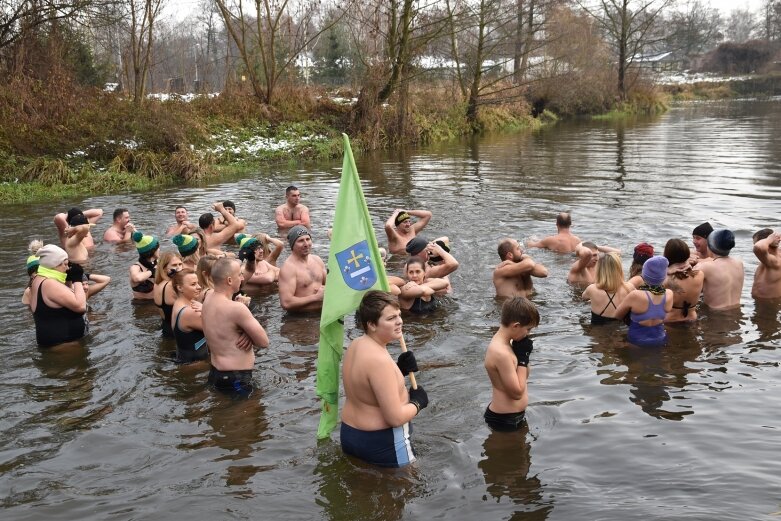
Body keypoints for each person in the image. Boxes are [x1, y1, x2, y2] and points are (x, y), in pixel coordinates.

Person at [340, 291, 428, 467]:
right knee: (408, 488)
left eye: (399, 315)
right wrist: (418, 403)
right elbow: (394, 418)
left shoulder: (356, 345)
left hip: (350, 434)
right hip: (383, 441)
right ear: (372, 324)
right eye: (391, 318)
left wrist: (398, 370)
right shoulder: (380, 361)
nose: (399, 321)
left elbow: (366, 386)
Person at [202, 258, 269, 396]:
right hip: (236, 377)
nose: (242, 277)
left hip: (215, 372)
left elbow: (227, 326)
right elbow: (263, 342)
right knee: (249, 415)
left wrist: (246, 331)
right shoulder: (236, 309)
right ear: (229, 281)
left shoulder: (208, 297)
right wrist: (248, 330)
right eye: (239, 274)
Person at [483, 297, 540, 431]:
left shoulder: (507, 344)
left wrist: (521, 354)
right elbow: (516, 393)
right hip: (504, 419)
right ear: (516, 326)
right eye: (528, 329)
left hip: (512, 416)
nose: (528, 334)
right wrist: (523, 359)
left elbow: (523, 376)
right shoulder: (501, 353)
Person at [29, 244, 88, 347]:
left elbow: (64, 298)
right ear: (54, 265)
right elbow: (80, 306)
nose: (67, 268)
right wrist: (77, 280)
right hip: (64, 346)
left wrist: (68, 280)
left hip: (59, 343)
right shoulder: (49, 284)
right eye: (65, 264)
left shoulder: (38, 279)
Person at [615, 256, 674, 347]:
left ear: (644, 275)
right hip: (660, 339)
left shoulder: (635, 295)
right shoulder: (669, 294)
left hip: (637, 340)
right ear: (664, 277)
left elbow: (617, 315)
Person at [278, 225, 326, 312]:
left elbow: (329, 284)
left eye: (308, 239)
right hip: (300, 319)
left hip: (322, 314)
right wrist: (315, 297)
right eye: (301, 241)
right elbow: (286, 303)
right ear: (292, 245)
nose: (306, 244)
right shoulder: (288, 268)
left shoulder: (317, 260)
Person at [695, 228, 744, 310]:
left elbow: (686, 288)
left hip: (716, 315)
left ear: (710, 246)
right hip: (736, 312)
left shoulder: (704, 267)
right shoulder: (739, 264)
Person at [582, 252, 635, 324]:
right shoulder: (629, 287)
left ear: (599, 270)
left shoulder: (591, 289)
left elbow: (584, 297)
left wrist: (594, 299)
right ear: (619, 268)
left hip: (597, 332)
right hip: (621, 332)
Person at [170, 269, 209, 364]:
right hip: (195, 366)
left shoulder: (178, 304)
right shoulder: (190, 312)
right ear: (180, 288)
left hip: (184, 359)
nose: (199, 287)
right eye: (193, 284)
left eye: (198, 283)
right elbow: (221, 329)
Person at [663, 239, 704, 322]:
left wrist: (666, 271)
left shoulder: (666, 279)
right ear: (687, 255)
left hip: (671, 321)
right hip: (692, 318)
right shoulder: (700, 275)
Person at [154, 251, 183, 338]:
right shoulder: (170, 286)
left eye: (180, 264)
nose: (178, 268)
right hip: (176, 333)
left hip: (166, 328)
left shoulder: (158, 283)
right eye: (174, 265)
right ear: (164, 268)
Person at [129, 231, 159, 301]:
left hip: (157, 303)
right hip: (141, 306)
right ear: (152, 251)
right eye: (157, 248)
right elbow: (137, 278)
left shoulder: (158, 262)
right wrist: (152, 271)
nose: (159, 250)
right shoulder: (136, 267)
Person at [751, 228, 781, 299]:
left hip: (767, 304)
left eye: (755, 243)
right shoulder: (769, 259)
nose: (754, 245)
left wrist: (769, 239)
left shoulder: (775, 261)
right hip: (764, 302)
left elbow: (758, 247)